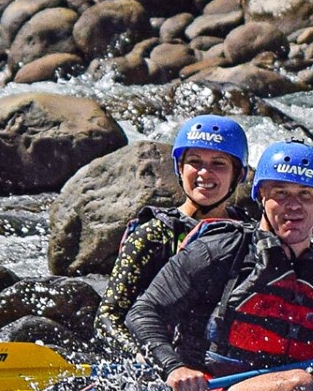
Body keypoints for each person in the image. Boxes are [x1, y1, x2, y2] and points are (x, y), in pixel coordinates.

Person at [124, 141, 313, 391]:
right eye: (281, 194)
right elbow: (143, 311)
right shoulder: (220, 250)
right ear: (261, 197)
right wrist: (174, 367)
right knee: (300, 386)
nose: (293, 206)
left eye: (305, 195)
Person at [93, 116, 252, 358]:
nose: (204, 173)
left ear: (238, 175)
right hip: (170, 362)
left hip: (225, 361)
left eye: (218, 164)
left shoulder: (251, 234)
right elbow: (108, 317)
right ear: (179, 168)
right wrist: (153, 360)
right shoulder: (153, 235)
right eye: (194, 162)